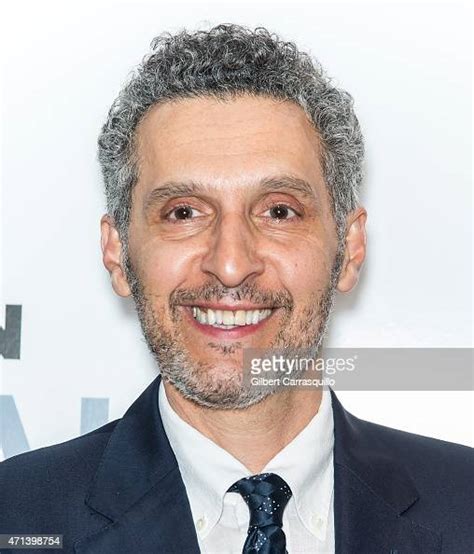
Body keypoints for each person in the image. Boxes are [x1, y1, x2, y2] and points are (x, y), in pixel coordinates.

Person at [0, 23, 472, 554]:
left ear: (349, 247)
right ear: (117, 252)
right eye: (183, 212)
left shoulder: (466, 506)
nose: (229, 264)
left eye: (278, 211)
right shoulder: (14, 515)